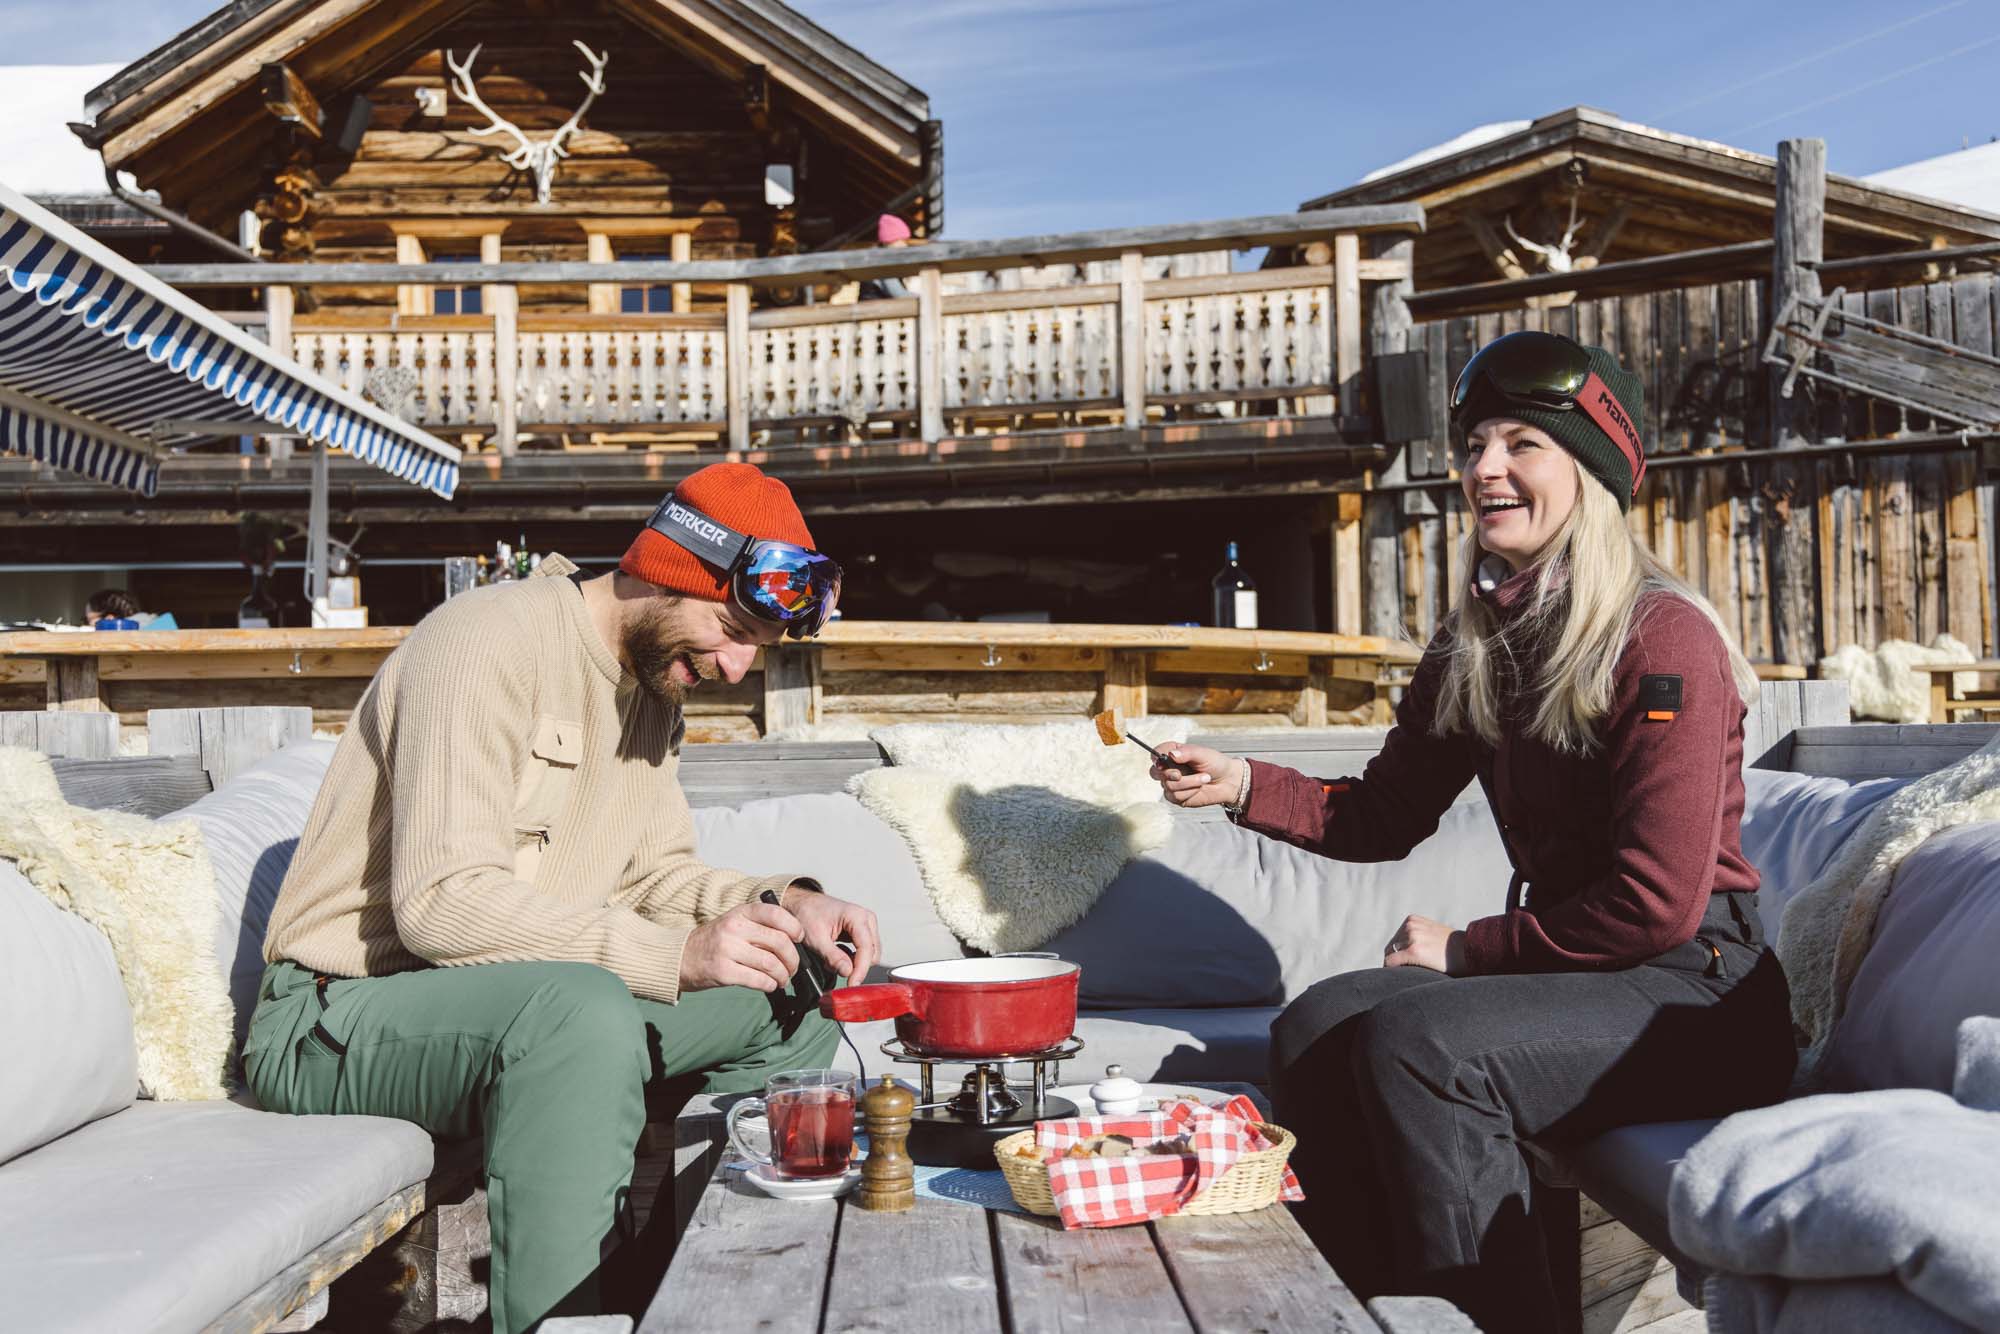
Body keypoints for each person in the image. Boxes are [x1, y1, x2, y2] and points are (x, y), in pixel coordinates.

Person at [1148, 333, 1795, 1332]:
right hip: (1584, 983)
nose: (1483, 467)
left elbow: (1655, 900)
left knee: (1422, 1040)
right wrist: (1241, 781)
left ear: (1589, 468)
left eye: (1520, 443)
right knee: (1316, 1025)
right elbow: (1378, 816)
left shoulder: (1661, 635)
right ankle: (1367, 1310)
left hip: (1693, 993)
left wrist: (1465, 950)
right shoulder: (1478, 638)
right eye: (1474, 444)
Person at [246, 461, 876, 1333]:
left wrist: (785, 902)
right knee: (577, 1015)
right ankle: (562, 1319)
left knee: (794, 988)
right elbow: (438, 903)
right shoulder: (483, 643)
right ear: (669, 567)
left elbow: (655, 879)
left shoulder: (654, 684)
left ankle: (671, 1292)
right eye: (734, 629)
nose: (738, 668)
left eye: (758, 648)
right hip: (338, 1019)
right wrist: (673, 957)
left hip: (529, 1009)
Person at [857, 213, 915, 301]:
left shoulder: (876, 256)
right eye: (901, 240)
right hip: (875, 310)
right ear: (889, 241)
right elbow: (898, 294)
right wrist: (926, 298)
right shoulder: (881, 260)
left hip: (873, 308)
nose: (904, 245)